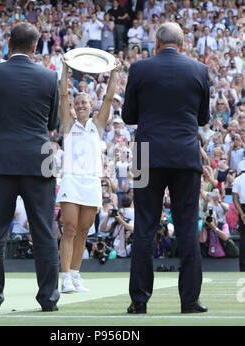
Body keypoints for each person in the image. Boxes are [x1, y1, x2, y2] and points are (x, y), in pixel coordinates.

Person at [122, 23, 210, 314]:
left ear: (156, 44)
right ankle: (190, 300)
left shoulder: (139, 69)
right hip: (185, 155)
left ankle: (139, 300)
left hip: (147, 153)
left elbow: (128, 115)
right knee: (186, 226)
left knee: (145, 226)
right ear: (182, 44)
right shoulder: (199, 70)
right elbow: (202, 118)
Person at [0, 23, 60, 312]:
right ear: (36, 47)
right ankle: (48, 300)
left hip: (0, 160)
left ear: (8, 43)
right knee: (45, 232)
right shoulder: (50, 76)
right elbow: (53, 124)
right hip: (39, 159)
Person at [56, 56, 119, 293]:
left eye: (85, 102)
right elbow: (63, 95)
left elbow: (110, 98)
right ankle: (64, 277)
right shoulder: (67, 123)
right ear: (73, 106)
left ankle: (75, 274)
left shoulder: (98, 125)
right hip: (71, 180)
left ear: (91, 106)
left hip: (91, 182)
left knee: (83, 231)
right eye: (78, 102)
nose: (81, 105)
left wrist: (114, 72)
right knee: (69, 228)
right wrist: (64, 68)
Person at [232, 161, 245, 271]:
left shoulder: (237, 180)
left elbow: (235, 199)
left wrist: (241, 213)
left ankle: (243, 266)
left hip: (243, 207)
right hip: (243, 206)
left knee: (243, 238)